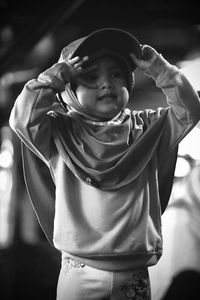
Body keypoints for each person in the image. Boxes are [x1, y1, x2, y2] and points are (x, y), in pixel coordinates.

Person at [9, 27, 200, 300]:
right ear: (69, 91)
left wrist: (159, 68)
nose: (106, 83)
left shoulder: (147, 127)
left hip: (133, 270)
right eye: (90, 77)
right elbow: (22, 119)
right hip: (80, 270)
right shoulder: (58, 132)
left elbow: (190, 109)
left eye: (117, 74)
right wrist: (55, 77)